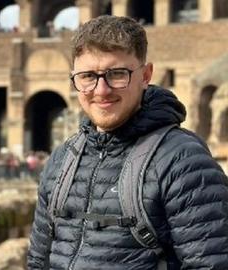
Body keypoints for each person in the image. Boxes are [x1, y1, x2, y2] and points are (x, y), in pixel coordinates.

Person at [27, 15, 228, 270]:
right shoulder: (61, 160)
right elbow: (38, 261)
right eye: (88, 76)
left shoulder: (183, 161)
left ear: (145, 75)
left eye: (117, 74)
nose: (101, 90)